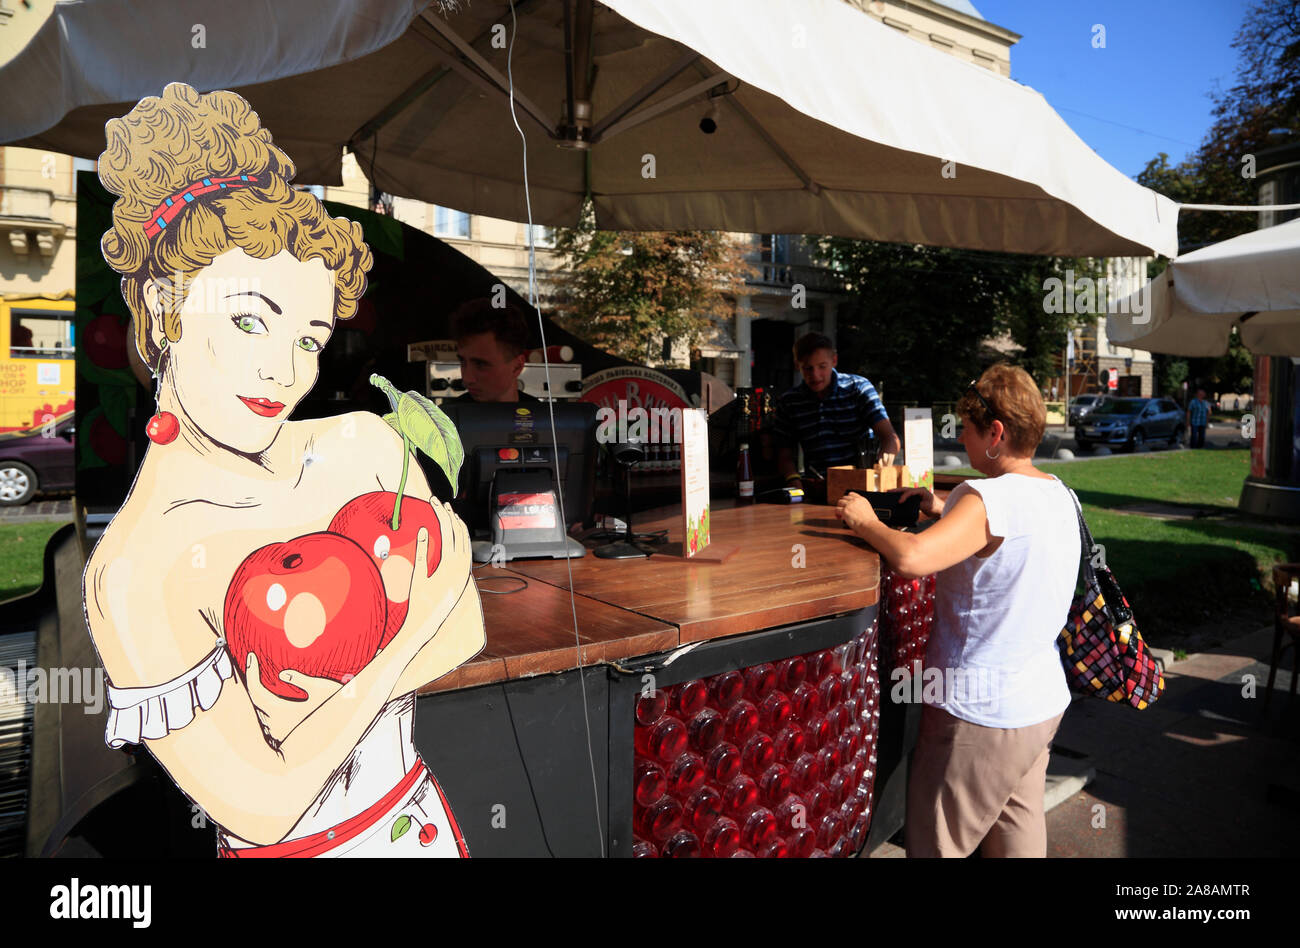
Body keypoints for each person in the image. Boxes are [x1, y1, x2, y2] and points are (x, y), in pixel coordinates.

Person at [81, 82, 485, 857]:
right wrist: (403, 639)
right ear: (165, 307)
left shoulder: (367, 442)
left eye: (306, 338)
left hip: (426, 827)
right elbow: (261, 804)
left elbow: (464, 629)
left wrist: (297, 720)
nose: (282, 372)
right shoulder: (133, 568)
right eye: (247, 321)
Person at [835, 364, 1079, 857]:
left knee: (937, 842)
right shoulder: (1059, 494)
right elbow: (1006, 531)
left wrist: (864, 520)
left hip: (979, 714)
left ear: (996, 433)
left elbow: (911, 558)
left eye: (966, 431)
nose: (962, 441)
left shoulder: (985, 498)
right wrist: (938, 507)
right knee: (1017, 833)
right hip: (1039, 703)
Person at [771, 332, 901, 494]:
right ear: (797, 365)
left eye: (822, 367)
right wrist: (793, 480)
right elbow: (783, 451)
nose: (815, 375)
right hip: (817, 489)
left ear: (834, 361)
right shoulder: (789, 401)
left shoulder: (858, 388)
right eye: (808, 368)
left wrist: (880, 469)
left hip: (862, 487)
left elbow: (890, 438)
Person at [450, 297, 539, 403]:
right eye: (462, 361)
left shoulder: (545, 416)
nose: (467, 379)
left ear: (517, 367)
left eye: (480, 364)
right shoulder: (445, 417)